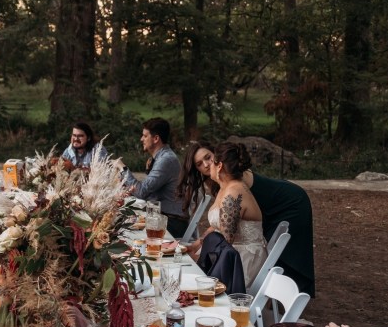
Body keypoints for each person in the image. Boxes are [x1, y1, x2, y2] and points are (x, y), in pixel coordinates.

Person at [177, 141, 315, 296]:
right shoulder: (223, 185)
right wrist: (196, 246)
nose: (207, 165)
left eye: (209, 158)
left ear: (219, 163)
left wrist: (202, 254)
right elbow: (221, 227)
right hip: (239, 242)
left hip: (289, 203)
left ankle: (289, 295)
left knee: (292, 257)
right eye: (199, 164)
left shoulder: (236, 188)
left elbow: (226, 236)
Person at [201, 142, 267, 288]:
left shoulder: (234, 192)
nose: (208, 166)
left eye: (212, 162)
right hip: (229, 254)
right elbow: (217, 230)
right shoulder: (224, 188)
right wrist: (199, 244)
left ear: (219, 166)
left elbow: (226, 241)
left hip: (242, 260)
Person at [114, 118, 188, 238]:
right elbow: (146, 190)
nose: (141, 139)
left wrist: (122, 168)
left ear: (156, 138)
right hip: (161, 216)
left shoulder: (166, 160)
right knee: (121, 222)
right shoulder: (160, 158)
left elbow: (142, 191)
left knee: (125, 230)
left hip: (172, 223)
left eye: (145, 136)